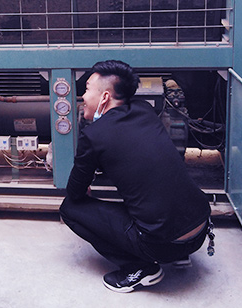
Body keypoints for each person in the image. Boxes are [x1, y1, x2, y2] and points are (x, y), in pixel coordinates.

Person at [59, 60, 212, 293]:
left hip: (163, 245)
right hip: (200, 230)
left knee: (70, 209)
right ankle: (176, 252)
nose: (83, 97)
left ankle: (140, 268)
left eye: (87, 89)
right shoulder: (145, 110)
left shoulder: (94, 136)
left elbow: (75, 193)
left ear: (105, 97)